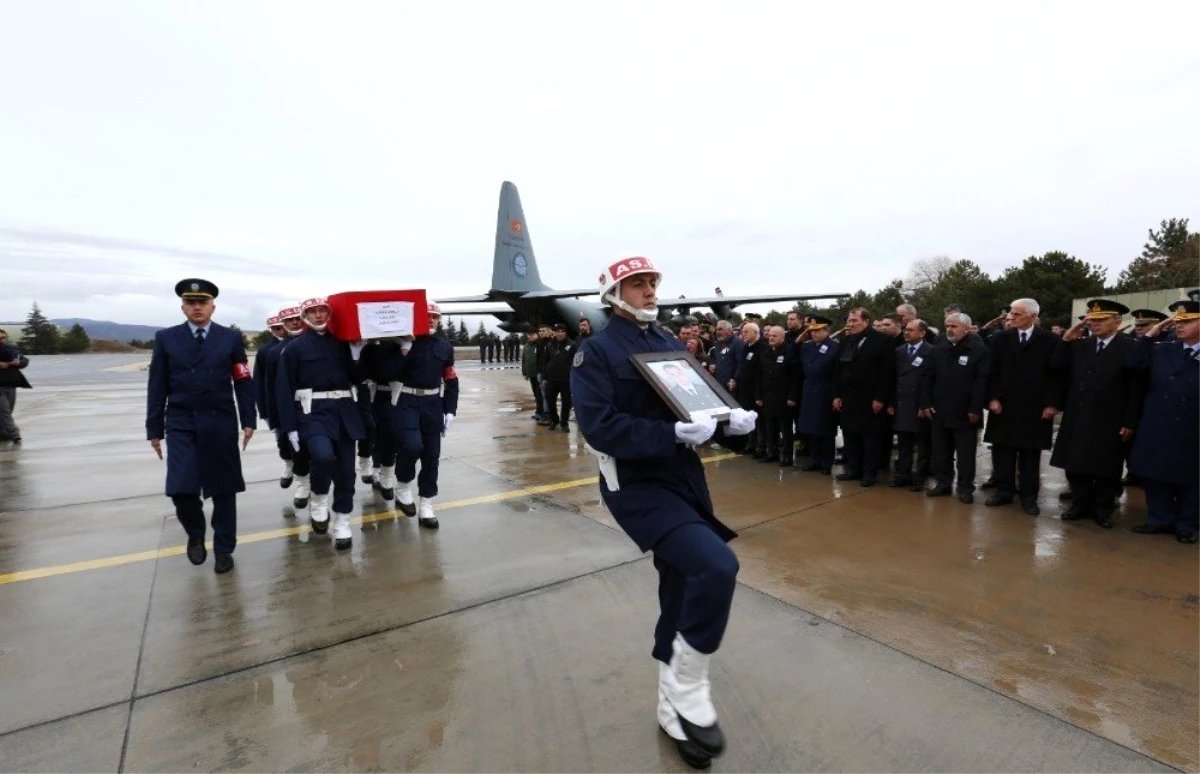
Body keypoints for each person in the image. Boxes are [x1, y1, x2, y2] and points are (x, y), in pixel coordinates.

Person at [571, 256, 757, 769]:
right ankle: (689, 682)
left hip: (681, 477)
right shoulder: (597, 352)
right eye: (638, 284)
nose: (650, 290)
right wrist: (670, 434)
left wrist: (728, 421)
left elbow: (694, 405)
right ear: (614, 293)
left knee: (680, 581)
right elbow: (600, 427)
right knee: (715, 565)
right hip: (636, 483)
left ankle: (669, 706)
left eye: (653, 282)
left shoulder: (670, 343)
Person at [145, 279, 256, 574]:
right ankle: (195, 534)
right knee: (181, 488)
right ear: (182, 307)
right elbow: (156, 385)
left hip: (219, 420)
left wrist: (249, 419)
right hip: (181, 422)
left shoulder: (230, 338)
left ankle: (223, 548)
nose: (197, 307)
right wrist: (154, 428)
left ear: (212, 307)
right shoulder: (166, 338)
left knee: (223, 489)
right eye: (191, 302)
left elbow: (242, 379)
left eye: (202, 302)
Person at [275, 297, 366, 550]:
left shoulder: (341, 343)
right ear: (305, 316)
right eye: (312, 312)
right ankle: (319, 500)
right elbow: (283, 389)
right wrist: (289, 426)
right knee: (323, 457)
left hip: (344, 412)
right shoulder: (293, 349)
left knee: (347, 471)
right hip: (312, 412)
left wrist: (357, 354)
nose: (318, 316)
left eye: (322, 311)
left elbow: (357, 378)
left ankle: (343, 522)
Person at [1050, 300, 1141, 530]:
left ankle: (1102, 507)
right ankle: (1080, 504)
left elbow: (1136, 387)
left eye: (1101, 320)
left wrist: (1130, 421)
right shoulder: (1080, 345)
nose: (1095, 324)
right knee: (1075, 463)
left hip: (1110, 416)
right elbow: (1056, 367)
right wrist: (1065, 340)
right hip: (1079, 413)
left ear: (1118, 322)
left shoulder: (1130, 347)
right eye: (1092, 320)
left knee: (1106, 466)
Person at [1124, 300, 1200, 544]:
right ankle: (1158, 520)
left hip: (1193, 426)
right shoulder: (1162, 348)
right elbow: (1132, 365)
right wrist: (1149, 336)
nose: (1179, 326)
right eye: (1177, 321)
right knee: (1156, 476)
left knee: (1192, 479)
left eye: (1187, 321)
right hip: (1159, 424)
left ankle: (1187, 525)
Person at [390, 302, 459, 528]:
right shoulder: (404, 342)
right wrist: (404, 349)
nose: (431, 320)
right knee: (411, 446)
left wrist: (450, 410)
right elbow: (388, 371)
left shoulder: (444, 347)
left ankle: (426, 504)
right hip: (407, 401)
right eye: (426, 316)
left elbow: (450, 379)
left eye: (435, 317)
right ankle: (402, 485)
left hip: (432, 404)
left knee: (431, 455)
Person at [0, 328, 31, 445]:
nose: (2, 340)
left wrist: (20, 362)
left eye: (3, 337)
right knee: (4, 412)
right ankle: (15, 435)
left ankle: (3, 434)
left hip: (10, 385)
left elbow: (24, 360)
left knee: (7, 411)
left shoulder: (11, 349)